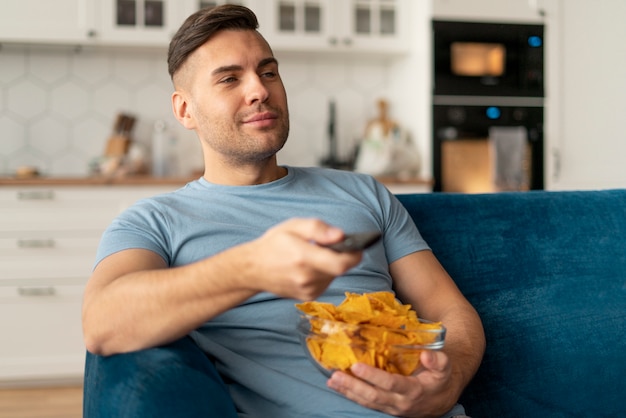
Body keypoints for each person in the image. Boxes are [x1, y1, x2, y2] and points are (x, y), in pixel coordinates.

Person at [82, 5, 485, 418]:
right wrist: (250, 269)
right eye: (229, 79)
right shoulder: (154, 221)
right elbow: (102, 323)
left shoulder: (363, 192)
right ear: (185, 110)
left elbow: (448, 308)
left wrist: (448, 382)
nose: (259, 90)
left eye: (268, 72)